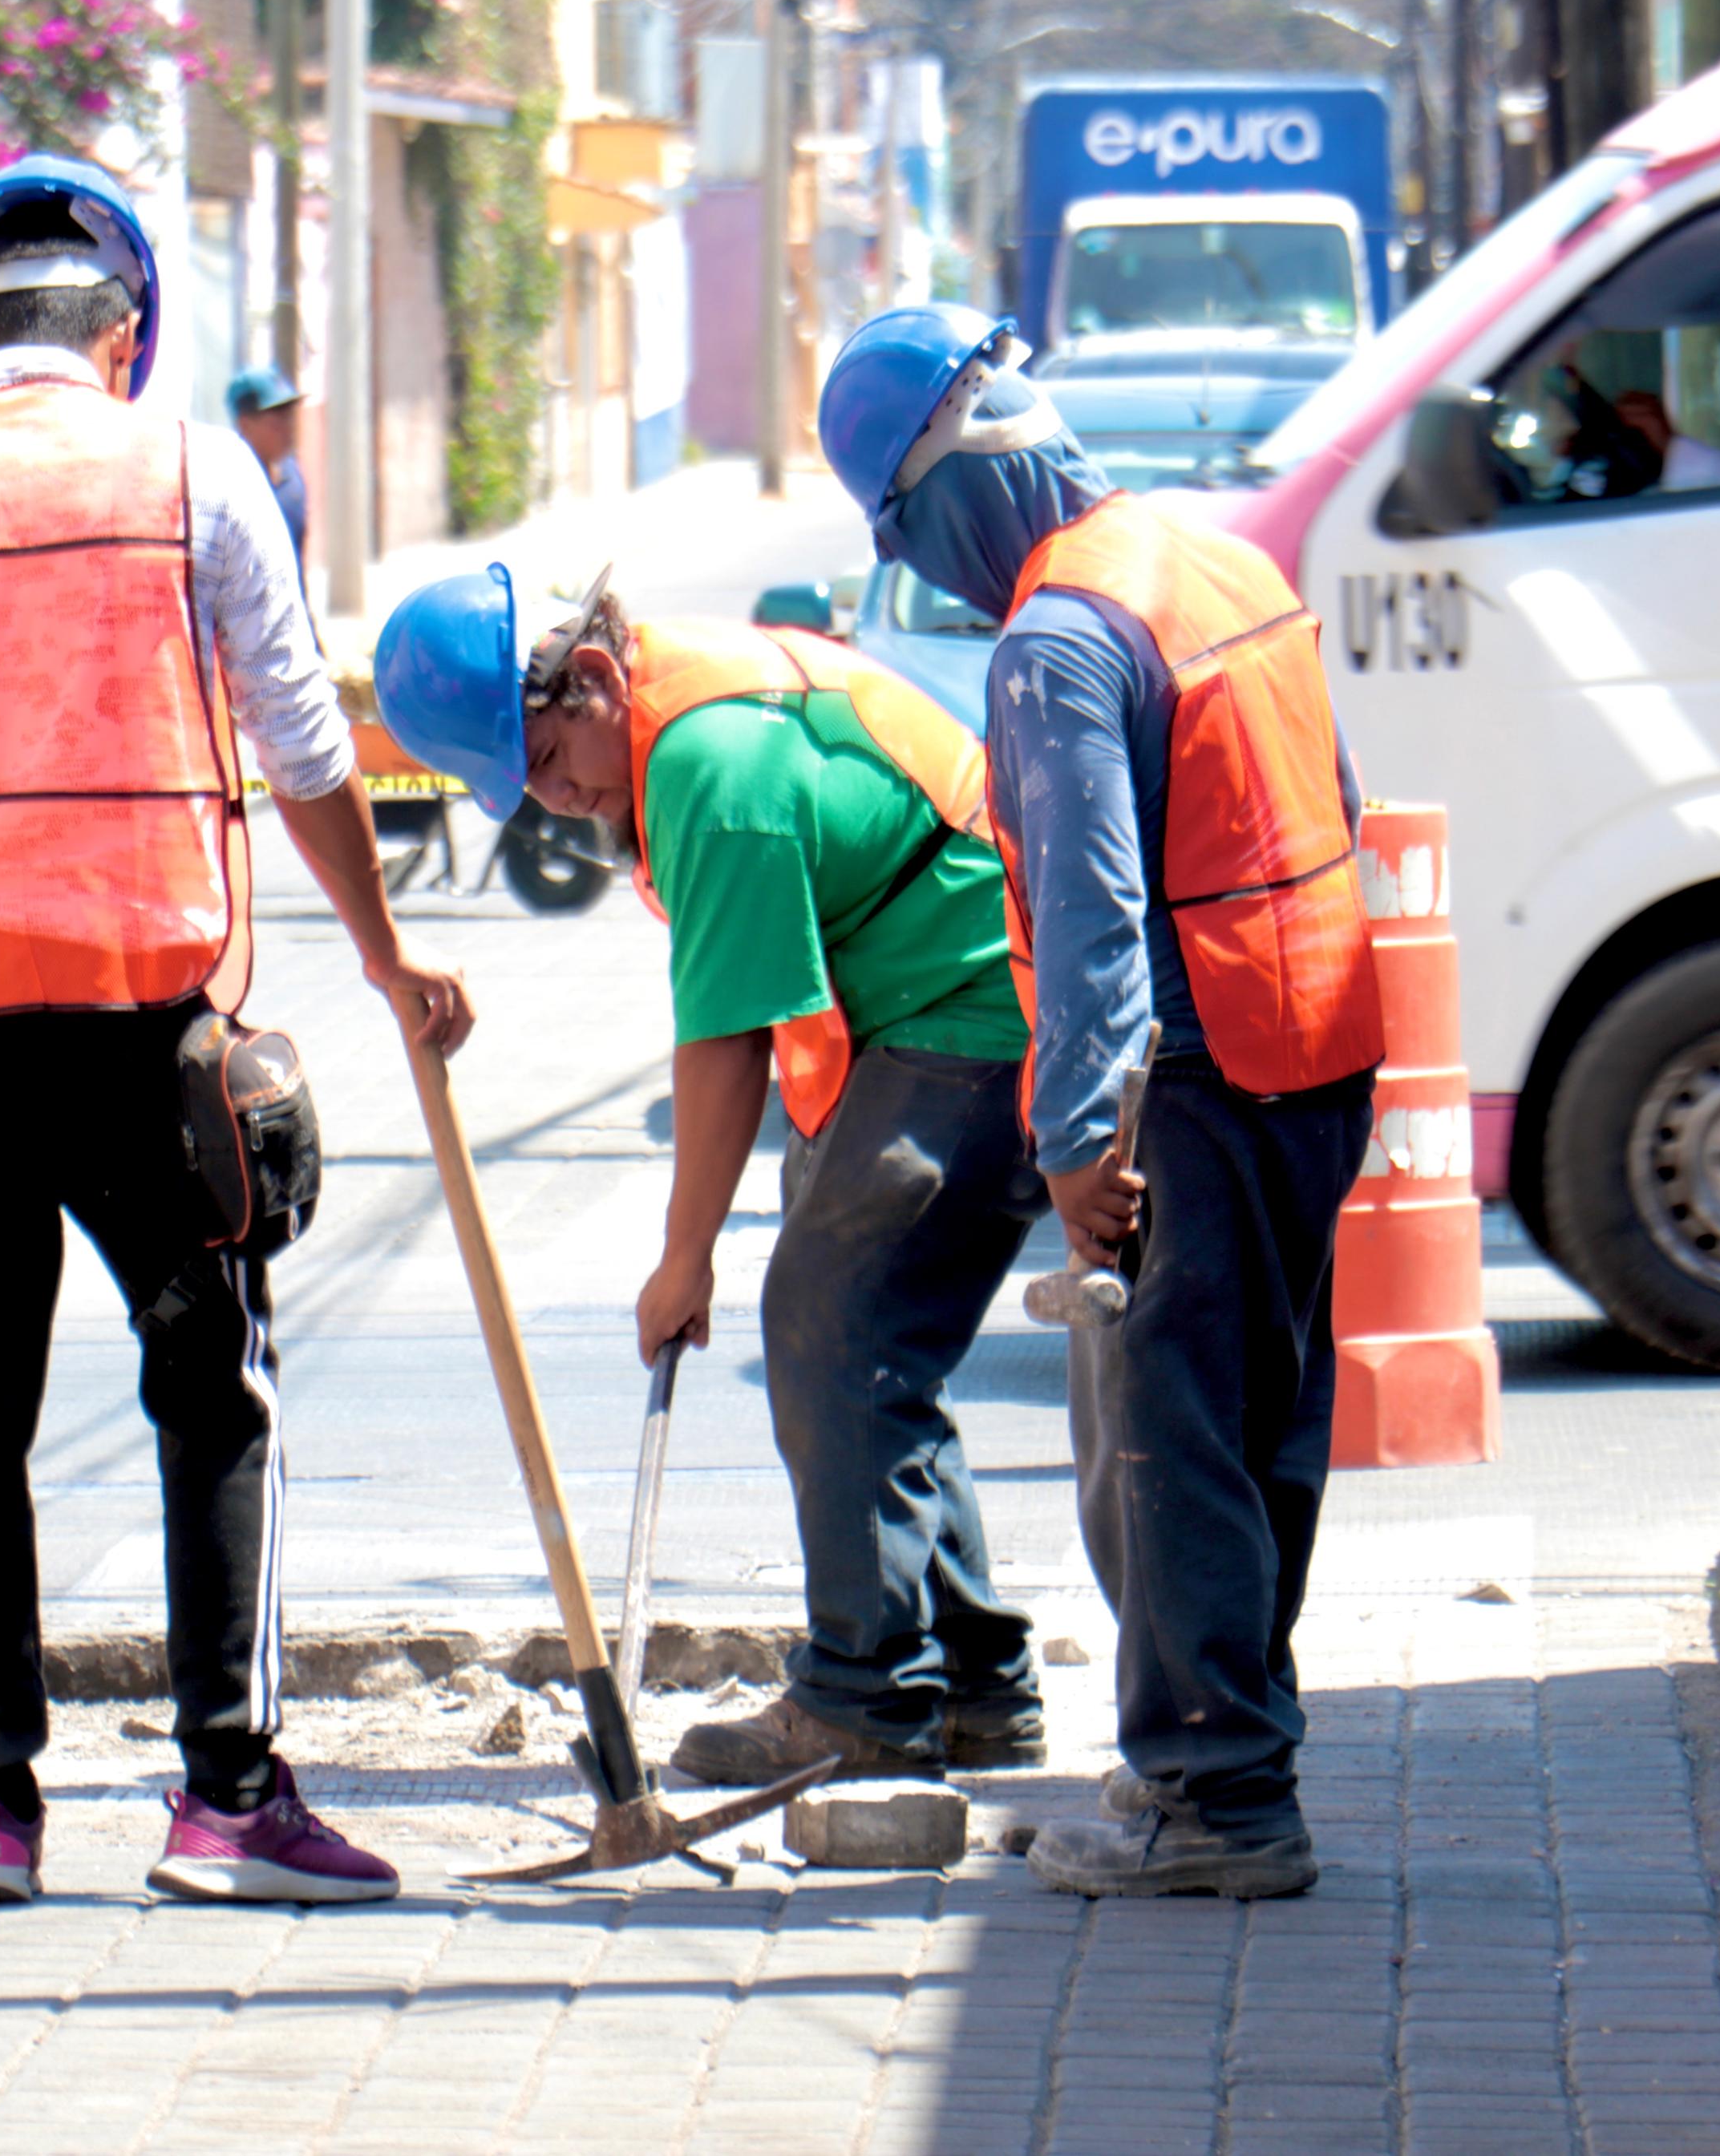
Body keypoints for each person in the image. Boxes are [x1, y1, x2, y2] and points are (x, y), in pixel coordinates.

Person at [0, 156, 474, 1908]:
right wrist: (385, 955)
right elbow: (301, 733)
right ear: (125, 334)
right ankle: (226, 1794)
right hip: (146, 1026)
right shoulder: (192, 469)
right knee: (213, 1396)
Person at [821, 303, 1386, 1899]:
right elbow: (1333, 801)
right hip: (1317, 1049)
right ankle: (1237, 1748)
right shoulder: (1214, 562)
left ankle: (1216, 1801)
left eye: (904, 532)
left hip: (1195, 1079)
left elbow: (1089, 916)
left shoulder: (1058, 641)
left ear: (940, 495)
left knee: (1172, 1439)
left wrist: (1082, 1140)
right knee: (1263, 1428)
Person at [369, 563, 1050, 1787]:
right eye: (522, 786)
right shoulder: (671, 714)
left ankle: (869, 1697)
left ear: (590, 678)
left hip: (977, 1004)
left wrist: (684, 1258)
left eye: (545, 758)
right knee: (873, 1338)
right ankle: (972, 1679)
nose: (553, 798)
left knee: (836, 1323)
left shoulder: (708, 767)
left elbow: (725, 1042)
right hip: (926, 1001)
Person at [226, 366, 309, 571]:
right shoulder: (230, 487)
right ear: (246, 424)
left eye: (289, 417)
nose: (289, 428)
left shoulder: (292, 476)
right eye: (278, 421)